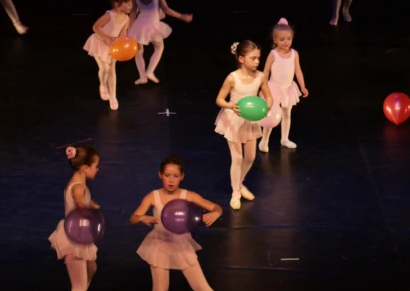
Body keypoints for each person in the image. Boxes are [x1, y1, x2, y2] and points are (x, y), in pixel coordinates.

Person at [131, 155, 221, 290]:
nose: (171, 180)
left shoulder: (188, 196)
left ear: (182, 176)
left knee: (202, 287)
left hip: (181, 244)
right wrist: (141, 218)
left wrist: (216, 213)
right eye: (167, 175)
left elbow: (215, 207)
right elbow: (133, 218)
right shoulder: (153, 197)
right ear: (160, 175)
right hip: (160, 245)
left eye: (176, 176)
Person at [214, 40, 273, 209]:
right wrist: (231, 106)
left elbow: (268, 95)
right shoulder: (232, 78)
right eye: (253, 58)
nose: (257, 62)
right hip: (233, 119)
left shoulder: (260, 76)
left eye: (258, 58)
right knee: (237, 157)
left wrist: (268, 105)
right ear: (241, 58)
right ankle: (235, 192)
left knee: (250, 157)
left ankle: (239, 183)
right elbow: (219, 99)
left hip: (250, 119)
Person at [128, 0, 192, 85]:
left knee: (139, 51)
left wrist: (129, 30)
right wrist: (182, 16)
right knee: (159, 47)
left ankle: (142, 76)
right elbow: (166, 9)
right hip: (153, 24)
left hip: (140, 24)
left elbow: (132, 14)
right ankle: (150, 71)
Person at [49, 146, 101, 291]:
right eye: (96, 166)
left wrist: (89, 205)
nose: (97, 169)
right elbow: (78, 202)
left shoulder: (77, 183)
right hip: (73, 237)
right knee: (79, 286)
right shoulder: (78, 187)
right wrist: (86, 209)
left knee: (92, 267)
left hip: (79, 234)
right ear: (85, 167)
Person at [259, 18, 308, 152]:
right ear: (275, 40)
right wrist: (263, 89)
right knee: (271, 114)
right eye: (282, 39)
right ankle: (264, 141)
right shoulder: (273, 54)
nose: (285, 42)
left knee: (287, 113)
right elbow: (266, 71)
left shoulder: (294, 54)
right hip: (274, 88)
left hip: (288, 89)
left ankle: (284, 139)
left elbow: (298, 70)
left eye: (288, 38)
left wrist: (302, 86)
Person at [83, 0, 133, 109]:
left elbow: (123, 35)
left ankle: (113, 96)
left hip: (112, 46)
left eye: (131, 2)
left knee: (112, 70)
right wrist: (105, 38)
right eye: (126, 2)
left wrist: (124, 46)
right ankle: (102, 84)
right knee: (104, 68)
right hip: (99, 42)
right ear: (117, 4)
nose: (130, 5)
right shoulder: (109, 15)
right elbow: (95, 27)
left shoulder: (126, 19)